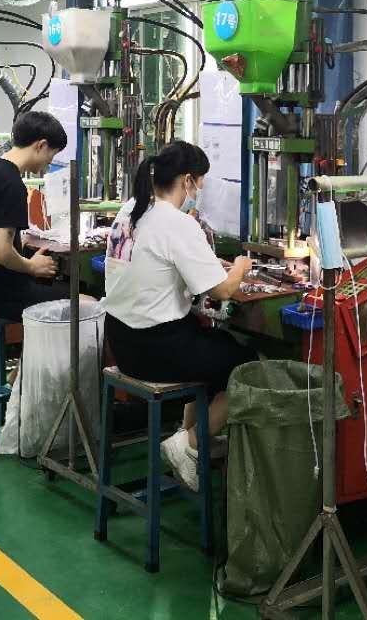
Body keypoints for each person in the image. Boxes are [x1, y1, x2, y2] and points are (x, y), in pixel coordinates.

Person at [103, 141, 257, 491]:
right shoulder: (176, 222)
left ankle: (189, 436)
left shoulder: (131, 209)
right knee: (246, 365)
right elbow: (222, 291)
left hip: (122, 340)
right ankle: (191, 443)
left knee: (214, 343)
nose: (199, 192)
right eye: (199, 183)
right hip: (157, 350)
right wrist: (241, 267)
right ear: (187, 180)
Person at [0, 110, 70, 322]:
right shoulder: (12, 183)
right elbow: (1, 253)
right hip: (1, 297)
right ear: (41, 145)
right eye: (52, 154)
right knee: (86, 302)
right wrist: (32, 266)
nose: (49, 163)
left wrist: (17, 243)